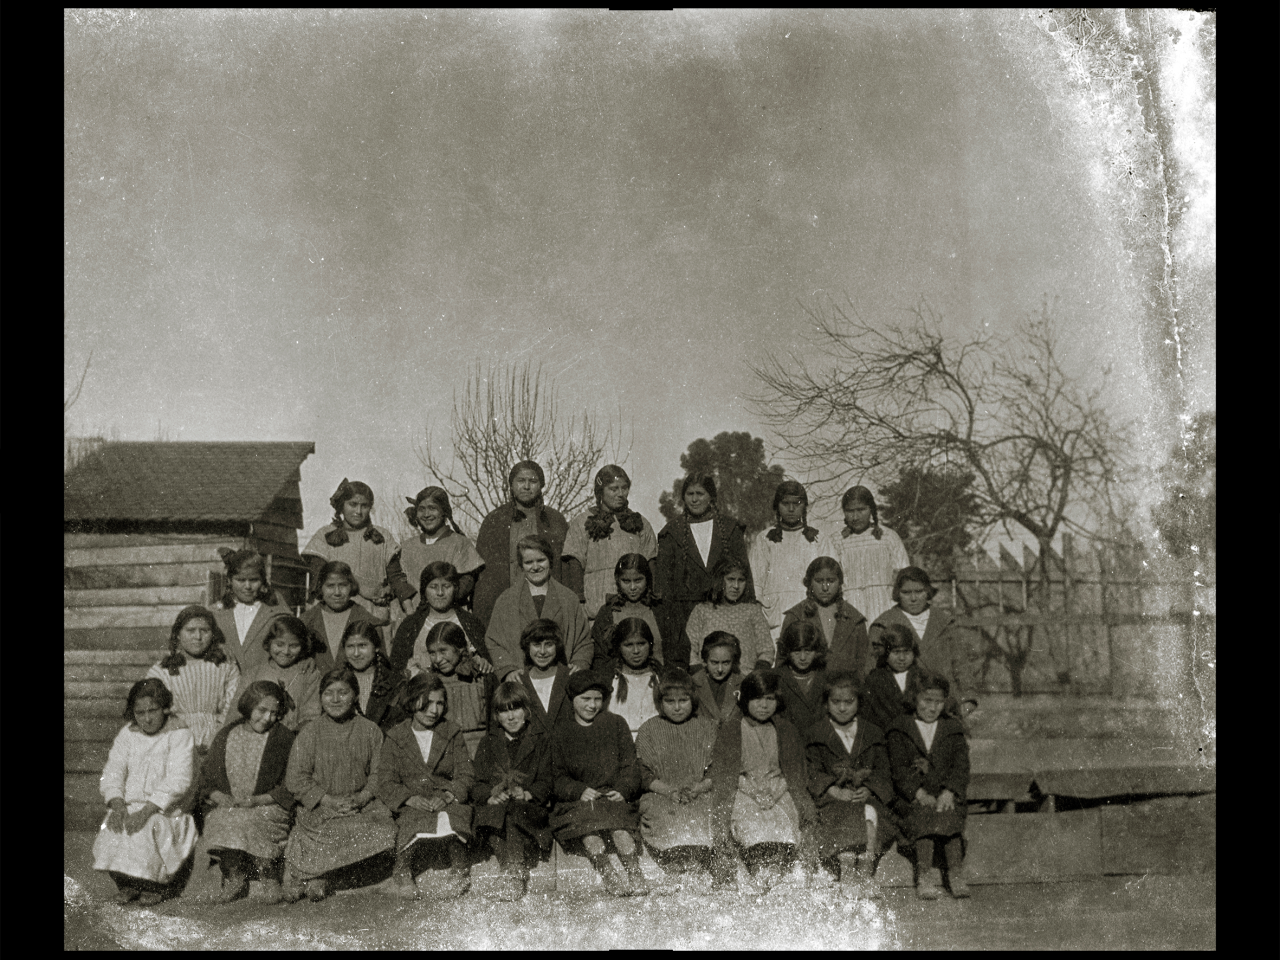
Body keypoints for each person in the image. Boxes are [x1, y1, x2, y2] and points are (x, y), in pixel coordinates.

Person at [282, 668, 398, 903]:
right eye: (328, 693)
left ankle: (327, 877)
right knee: (318, 834)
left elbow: (380, 774)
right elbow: (296, 778)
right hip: (321, 807)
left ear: (355, 696)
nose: (335, 700)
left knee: (385, 833)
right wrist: (328, 800)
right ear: (320, 697)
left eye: (343, 693)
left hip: (360, 806)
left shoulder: (370, 731)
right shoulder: (309, 733)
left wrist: (362, 798)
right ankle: (314, 876)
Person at [709, 670, 817, 893]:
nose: (764, 705)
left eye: (770, 699)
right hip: (744, 789)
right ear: (745, 700)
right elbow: (727, 774)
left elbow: (793, 773)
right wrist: (754, 792)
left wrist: (775, 793)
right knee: (752, 822)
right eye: (757, 699)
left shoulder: (785, 730)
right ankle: (758, 869)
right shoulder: (732, 729)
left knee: (783, 820)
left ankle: (778, 871)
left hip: (778, 788)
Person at [92, 679, 199, 906]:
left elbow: (179, 779)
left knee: (147, 828)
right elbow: (113, 771)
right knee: (112, 828)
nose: (147, 718)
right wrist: (118, 805)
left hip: (167, 808)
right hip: (130, 804)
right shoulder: (128, 734)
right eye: (140, 713)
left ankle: (155, 885)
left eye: (153, 711)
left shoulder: (179, 734)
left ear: (165, 708)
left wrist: (147, 811)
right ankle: (127, 884)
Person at [377, 673, 476, 901]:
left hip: (445, 798)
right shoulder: (395, 737)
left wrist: (449, 795)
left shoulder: (451, 732)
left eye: (439, 703)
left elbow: (465, 773)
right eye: (427, 703)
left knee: (450, 819)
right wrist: (408, 799)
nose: (434, 711)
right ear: (412, 702)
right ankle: (402, 872)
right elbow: (385, 780)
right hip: (414, 800)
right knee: (411, 822)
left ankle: (459, 869)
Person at [549, 672, 648, 897]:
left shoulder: (615, 724)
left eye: (597, 699)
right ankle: (606, 871)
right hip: (580, 801)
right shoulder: (561, 732)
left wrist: (623, 790)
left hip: (612, 795)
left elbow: (630, 766)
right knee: (591, 835)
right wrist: (578, 790)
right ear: (573, 699)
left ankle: (634, 871)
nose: (592, 705)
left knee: (621, 832)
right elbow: (557, 776)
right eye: (586, 699)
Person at [198, 680, 297, 904]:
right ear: (249, 706)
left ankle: (268, 875)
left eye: (273, 712)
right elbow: (206, 778)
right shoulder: (227, 734)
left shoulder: (283, 738)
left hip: (268, 805)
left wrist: (257, 800)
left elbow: (291, 785)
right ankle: (234, 875)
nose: (267, 718)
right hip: (232, 805)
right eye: (261, 710)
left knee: (253, 820)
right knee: (223, 819)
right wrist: (217, 795)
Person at [804, 671, 893, 901]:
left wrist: (871, 788)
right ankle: (846, 872)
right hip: (833, 798)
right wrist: (832, 788)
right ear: (826, 703)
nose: (842, 708)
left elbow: (884, 770)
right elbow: (811, 770)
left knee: (869, 813)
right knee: (842, 813)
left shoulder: (872, 733)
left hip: (865, 797)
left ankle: (865, 872)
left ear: (859, 703)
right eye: (836, 702)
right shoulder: (816, 734)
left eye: (849, 702)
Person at [886, 674, 971, 899]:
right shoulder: (900, 728)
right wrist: (918, 792)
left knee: (949, 814)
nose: (932, 708)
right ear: (914, 698)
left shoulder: (951, 729)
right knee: (924, 814)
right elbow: (899, 769)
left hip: (945, 796)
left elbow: (960, 767)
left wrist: (949, 791)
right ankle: (923, 875)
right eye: (926, 701)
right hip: (912, 798)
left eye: (939, 702)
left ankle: (955, 872)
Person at [655, 474, 751, 667]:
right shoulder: (671, 532)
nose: (695, 499)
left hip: (724, 612)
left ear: (711, 497)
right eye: (690, 494)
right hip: (682, 617)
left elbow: (744, 577)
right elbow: (663, 586)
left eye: (700, 493)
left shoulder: (731, 529)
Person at [470, 681, 554, 902]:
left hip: (527, 810)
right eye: (503, 711)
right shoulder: (488, 743)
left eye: (516, 709)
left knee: (514, 811)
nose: (511, 717)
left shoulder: (540, 741)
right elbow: (477, 782)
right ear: (496, 717)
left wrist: (528, 793)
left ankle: (514, 872)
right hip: (497, 811)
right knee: (492, 816)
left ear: (527, 711)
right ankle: (511, 866)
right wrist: (490, 795)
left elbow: (546, 780)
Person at [635, 668, 718, 887]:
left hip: (699, 791)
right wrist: (669, 791)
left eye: (684, 700)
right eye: (670, 701)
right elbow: (643, 773)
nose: (678, 707)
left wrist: (699, 788)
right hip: (661, 793)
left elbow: (717, 769)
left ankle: (697, 868)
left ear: (693, 699)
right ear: (660, 702)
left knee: (703, 814)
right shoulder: (649, 729)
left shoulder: (707, 727)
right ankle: (675, 868)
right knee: (664, 815)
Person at [473, 461, 571, 630]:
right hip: (505, 601)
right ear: (511, 485)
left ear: (541, 486)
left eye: (533, 481)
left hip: (545, 600)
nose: (526, 486)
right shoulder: (494, 520)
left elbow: (566, 567)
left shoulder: (554, 520)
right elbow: (482, 572)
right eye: (520, 481)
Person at [869, 567, 976, 722]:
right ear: (897, 594)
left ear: (928, 592)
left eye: (919, 592)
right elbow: (872, 670)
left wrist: (968, 698)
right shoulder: (883, 624)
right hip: (900, 708)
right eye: (906, 593)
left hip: (943, 705)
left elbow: (961, 663)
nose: (913, 598)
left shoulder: (944, 622)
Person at [485, 535, 592, 681]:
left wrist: (580, 663)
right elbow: (494, 640)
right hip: (522, 679)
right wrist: (507, 669)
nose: (535, 567)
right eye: (529, 562)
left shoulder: (568, 598)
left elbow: (583, 639)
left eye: (541, 560)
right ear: (521, 565)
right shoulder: (506, 600)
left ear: (550, 561)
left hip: (561, 679)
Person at [561, 466, 658, 621]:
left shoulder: (640, 523)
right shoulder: (582, 523)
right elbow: (574, 562)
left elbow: (650, 561)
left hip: (633, 609)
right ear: (601, 491)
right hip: (595, 607)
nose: (620, 494)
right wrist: (578, 601)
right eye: (613, 489)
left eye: (624, 488)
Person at [301, 479, 398, 632]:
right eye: (353, 504)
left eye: (364, 506)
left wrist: (387, 591)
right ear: (341, 506)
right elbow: (319, 576)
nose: (358, 511)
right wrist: (360, 587)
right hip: (334, 614)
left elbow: (396, 575)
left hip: (372, 614)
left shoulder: (382, 537)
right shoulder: (324, 536)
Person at [146, 605, 239, 753]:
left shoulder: (225, 667)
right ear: (178, 634)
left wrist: (216, 737)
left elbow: (233, 706)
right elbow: (152, 709)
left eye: (204, 631)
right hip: (174, 741)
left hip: (218, 740)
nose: (198, 637)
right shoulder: (161, 671)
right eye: (190, 630)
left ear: (212, 634)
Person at [748, 481, 826, 643]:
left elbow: (830, 575)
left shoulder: (818, 539)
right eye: (785, 504)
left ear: (804, 506)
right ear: (777, 506)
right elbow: (755, 581)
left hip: (809, 609)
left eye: (797, 504)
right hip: (775, 612)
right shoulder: (765, 539)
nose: (791, 509)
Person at [387, 486, 485, 615]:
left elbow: (468, 580)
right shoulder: (408, 546)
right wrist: (408, 605)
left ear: (444, 511)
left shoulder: (459, 543)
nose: (426, 514)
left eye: (432, 508)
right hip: (413, 616)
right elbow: (397, 578)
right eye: (421, 509)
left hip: (449, 617)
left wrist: (444, 601)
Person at [390, 562, 492, 678]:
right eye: (433, 587)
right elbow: (397, 667)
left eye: (446, 586)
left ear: (455, 588)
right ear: (424, 590)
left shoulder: (470, 623)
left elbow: (484, 659)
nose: (440, 593)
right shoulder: (410, 625)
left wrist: (481, 662)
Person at [779, 557, 871, 678]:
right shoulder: (796, 616)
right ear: (809, 583)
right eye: (819, 581)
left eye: (831, 581)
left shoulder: (854, 618)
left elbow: (864, 664)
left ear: (840, 583)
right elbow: (782, 663)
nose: (825, 588)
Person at [830, 486, 910, 624]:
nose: (855, 517)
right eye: (850, 511)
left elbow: (904, 574)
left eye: (861, 510)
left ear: (871, 510)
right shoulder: (836, 541)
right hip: (850, 605)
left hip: (884, 605)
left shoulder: (888, 537)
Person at [684, 556, 774, 674]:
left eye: (741, 580)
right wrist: (701, 676)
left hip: (744, 678)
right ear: (720, 580)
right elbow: (690, 649)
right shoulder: (702, 610)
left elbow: (766, 650)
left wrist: (755, 677)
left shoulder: (753, 611)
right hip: (709, 679)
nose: (736, 586)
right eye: (730, 579)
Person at [420, 622, 496, 757]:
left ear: (460, 648)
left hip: (481, 752)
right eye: (432, 653)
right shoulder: (431, 683)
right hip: (446, 753)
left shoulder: (481, 677)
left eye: (443, 651)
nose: (438, 659)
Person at [235, 614, 323, 731]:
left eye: (294, 646)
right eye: (279, 644)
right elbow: (237, 714)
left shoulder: (309, 673)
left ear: (303, 646)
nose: (286, 651)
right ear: (269, 642)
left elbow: (311, 716)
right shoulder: (253, 673)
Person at [212, 549, 290, 676]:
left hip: (264, 685)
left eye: (254, 580)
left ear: (263, 580)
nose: (247, 586)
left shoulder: (276, 612)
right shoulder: (216, 614)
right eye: (241, 580)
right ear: (230, 580)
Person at [589, 554, 664, 676]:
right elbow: (600, 657)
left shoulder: (661, 610)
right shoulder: (607, 612)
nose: (633, 587)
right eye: (626, 581)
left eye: (638, 580)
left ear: (648, 579)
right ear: (617, 581)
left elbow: (677, 652)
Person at [302, 561, 379, 670]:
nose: (337, 592)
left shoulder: (367, 620)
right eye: (330, 586)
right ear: (320, 588)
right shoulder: (306, 621)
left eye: (343, 585)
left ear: (351, 586)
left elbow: (381, 665)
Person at [861, 622, 929, 735]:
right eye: (896, 652)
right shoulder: (874, 680)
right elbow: (869, 717)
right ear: (885, 654)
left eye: (906, 651)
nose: (902, 658)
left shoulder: (922, 677)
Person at [339, 622, 407, 731]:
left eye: (362, 646)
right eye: (350, 646)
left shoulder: (395, 683)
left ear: (376, 647)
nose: (356, 653)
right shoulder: (337, 681)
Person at [602, 618, 661, 739]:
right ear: (619, 647)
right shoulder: (609, 677)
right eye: (628, 645)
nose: (636, 651)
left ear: (650, 645)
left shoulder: (661, 676)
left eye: (641, 644)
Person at [515, 619, 574, 735]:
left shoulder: (569, 676)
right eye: (536, 645)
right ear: (528, 647)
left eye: (549, 645)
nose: (542, 651)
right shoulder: (520, 680)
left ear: (557, 646)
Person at [772, 620, 830, 736]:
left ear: (817, 650)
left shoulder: (826, 678)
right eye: (797, 651)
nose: (803, 658)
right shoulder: (776, 678)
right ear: (787, 650)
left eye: (808, 651)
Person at [691, 632, 746, 726]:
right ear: (705, 660)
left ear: (733, 661)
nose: (720, 669)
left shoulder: (742, 683)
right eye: (714, 663)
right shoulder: (693, 683)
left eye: (726, 663)